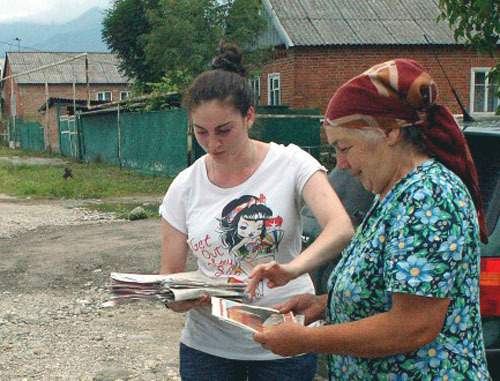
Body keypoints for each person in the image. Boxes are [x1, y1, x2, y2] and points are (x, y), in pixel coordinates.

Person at [250, 59, 491, 380]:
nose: (342, 165)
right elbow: (389, 291)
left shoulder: (428, 195)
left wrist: (307, 340)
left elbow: (414, 326)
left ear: (389, 131)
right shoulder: (395, 193)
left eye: (344, 147)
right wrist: (326, 305)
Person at [158, 43, 354, 381]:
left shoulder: (291, 163)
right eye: (200, 132)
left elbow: (341, 228)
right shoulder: (184, 185)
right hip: (208, 350)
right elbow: (170, 281)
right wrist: (183, 297)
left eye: (224, 131)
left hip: (286, 342)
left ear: (249, 116)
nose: (212, 144)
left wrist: (291, 269)